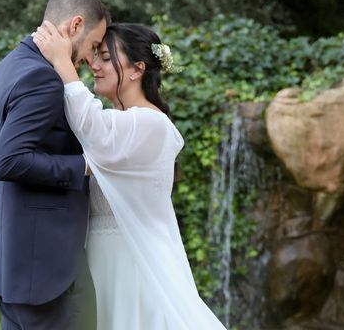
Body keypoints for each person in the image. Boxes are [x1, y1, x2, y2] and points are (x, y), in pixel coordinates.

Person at [32, 21, 228, 330]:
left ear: (137, 69)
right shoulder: (122, 123)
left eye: (106, 59)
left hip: (135, 266)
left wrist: (61, 62)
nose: (94, 65)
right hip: (100, 262)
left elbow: (94, 129)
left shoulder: (152, 125)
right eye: (95, 56)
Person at [0, 0, 110, 330]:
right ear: (75, 25)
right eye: (93, 46)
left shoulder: (10, 66)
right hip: (47, 273)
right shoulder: (43, 79)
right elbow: (9, 161)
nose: (90, 60)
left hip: (15, 268)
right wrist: (84, 167)